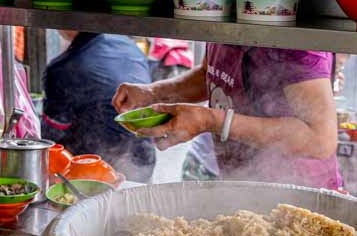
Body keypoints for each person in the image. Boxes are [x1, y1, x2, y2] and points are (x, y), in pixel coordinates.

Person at [112, 44, 341, 189]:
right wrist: (152, 93)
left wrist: (209, 120)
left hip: (297, 191)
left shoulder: (296, 48)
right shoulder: (224, 16)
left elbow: (320, 140)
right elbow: (207, 74)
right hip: (240, 183)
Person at [42, 31, 156, 182]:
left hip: (101, 164)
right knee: (135, 196)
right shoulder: (128, 44)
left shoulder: (63, 67)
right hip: (145, 154)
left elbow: (52, 134)